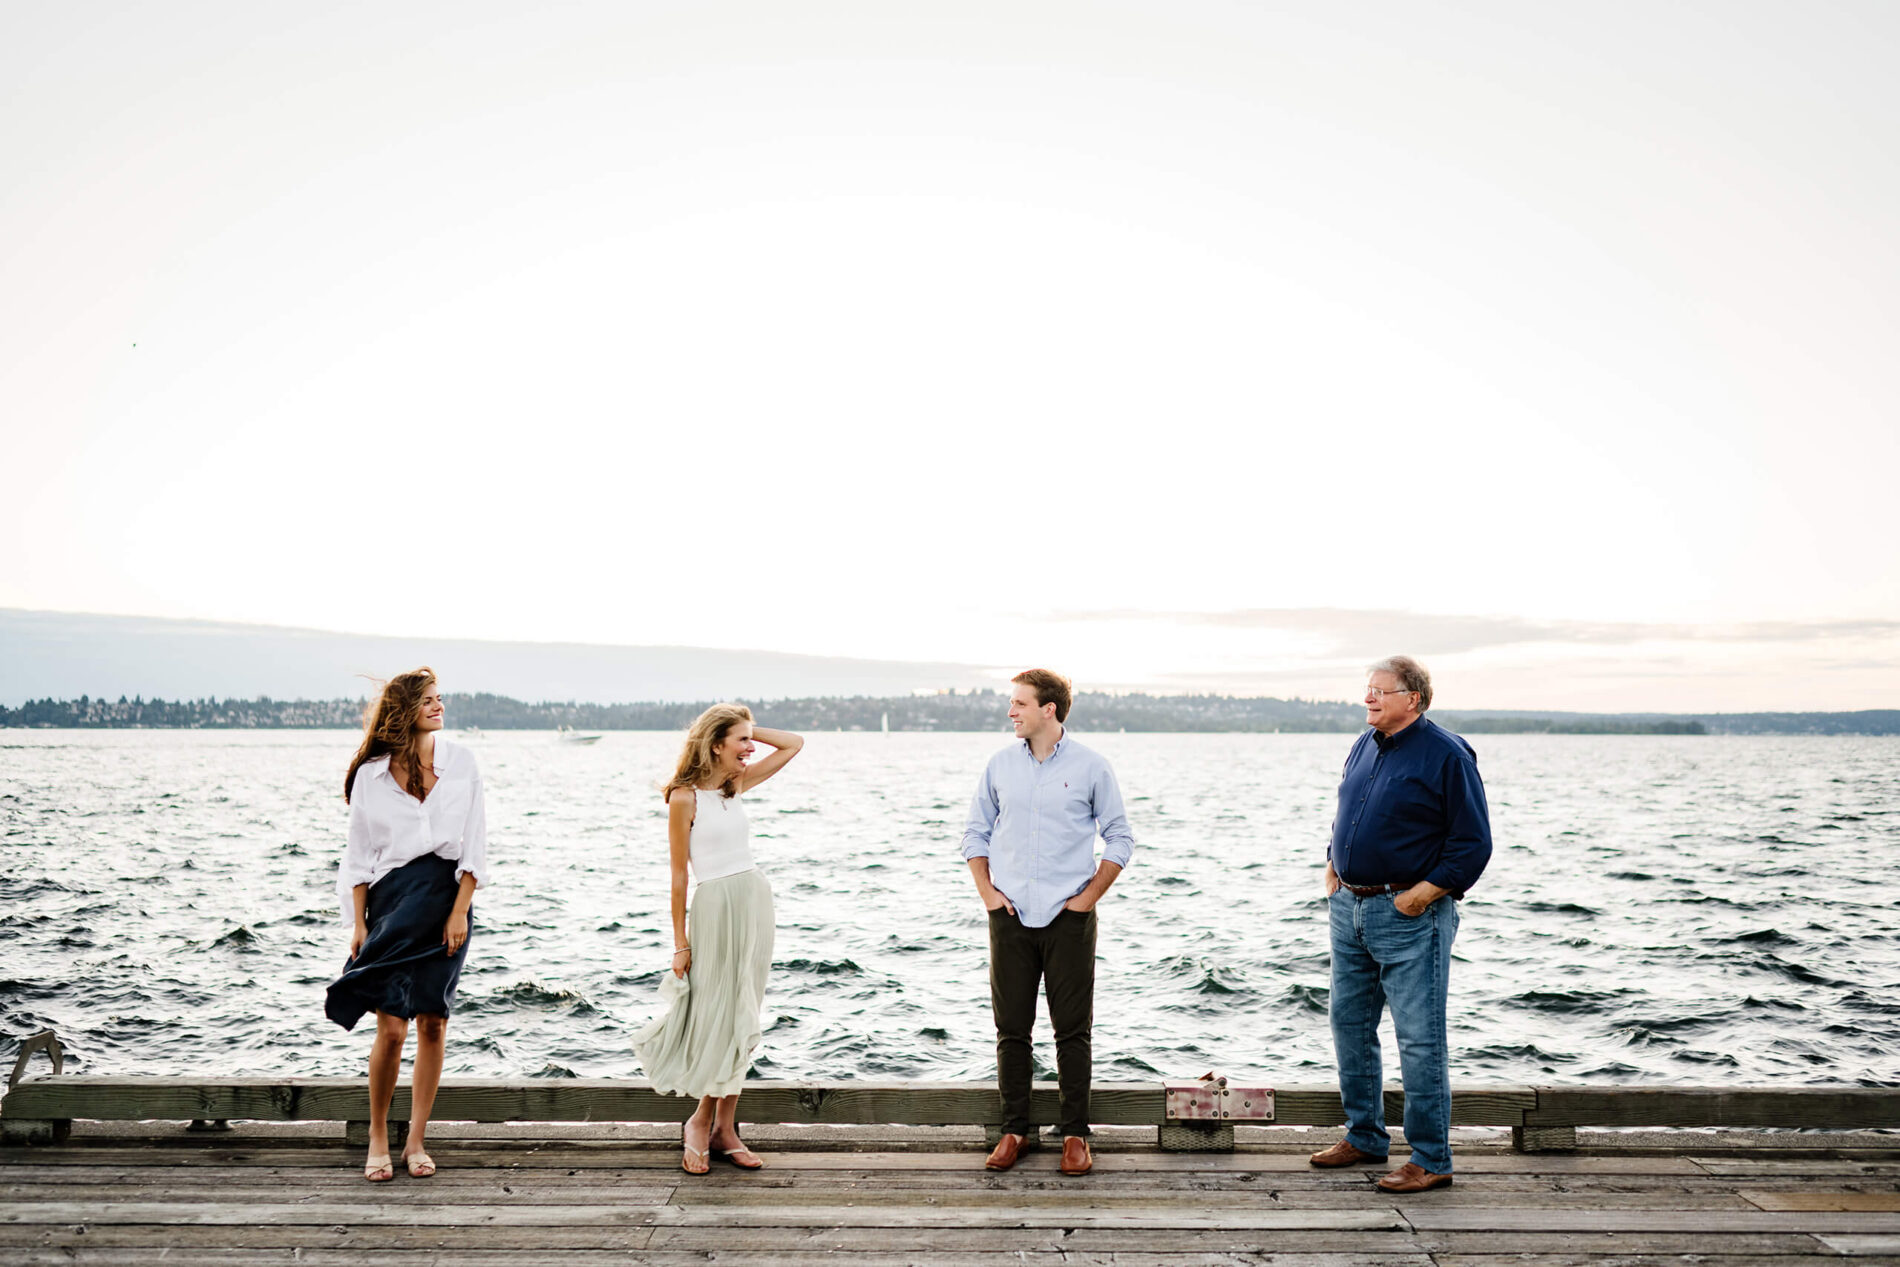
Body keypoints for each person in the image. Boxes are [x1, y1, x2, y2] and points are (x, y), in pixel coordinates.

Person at [1311, 656, 1492, 1193]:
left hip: (1409, 916)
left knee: (1419, 1040)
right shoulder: (1364, 743)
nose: (1368, 699)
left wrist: (1420, 896)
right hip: (1350, 908)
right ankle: (1365, 1136)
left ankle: (1432, 1158)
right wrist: (1333, 863)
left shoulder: (1447, 754)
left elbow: (1473, 843)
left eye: (1379, 692)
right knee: (1349, 1024)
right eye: (1367, 690)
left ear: (1412, 698)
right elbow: (1351, 808)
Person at [961, 669, 1134, 1177]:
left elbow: (1120, 837)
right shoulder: (998, 766)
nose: (1011, 712)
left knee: (1072, 1032)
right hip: (1009, 916)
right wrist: (989, 895)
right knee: (1011, 1030)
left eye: (1019, 704)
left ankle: (1076, 1135)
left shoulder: (1091, 767)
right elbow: (974, 834)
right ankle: (1014, 1130)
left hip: (1068, 917)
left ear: (1048, 710)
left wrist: (1087, 899)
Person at [325, 667, 489, 1183]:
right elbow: (357, 858)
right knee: (392, 1027)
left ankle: (416, 1137)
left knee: (433, 1022)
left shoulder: (462, 763)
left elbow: (476, 844)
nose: (439, 707)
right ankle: (378, 1133)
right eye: (429, 701)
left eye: (441, 698)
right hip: (390, 904)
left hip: (447, 901)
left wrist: (461, 908)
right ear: (404, 712)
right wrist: (357, 925)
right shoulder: (371, 776)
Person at [633, 703, 803, 1175]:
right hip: (714, 907)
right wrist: (680, 941)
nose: (751, 748)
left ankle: (725, 1128)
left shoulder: (735, 786)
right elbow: (677, 877)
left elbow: (794, 743)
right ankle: (699, 1121)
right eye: (742, 741)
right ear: (715, 745)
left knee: (746, 1011)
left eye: (751, 740)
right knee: (720, 1016)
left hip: (753, 898)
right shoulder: (684, 798)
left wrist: (747, 726)